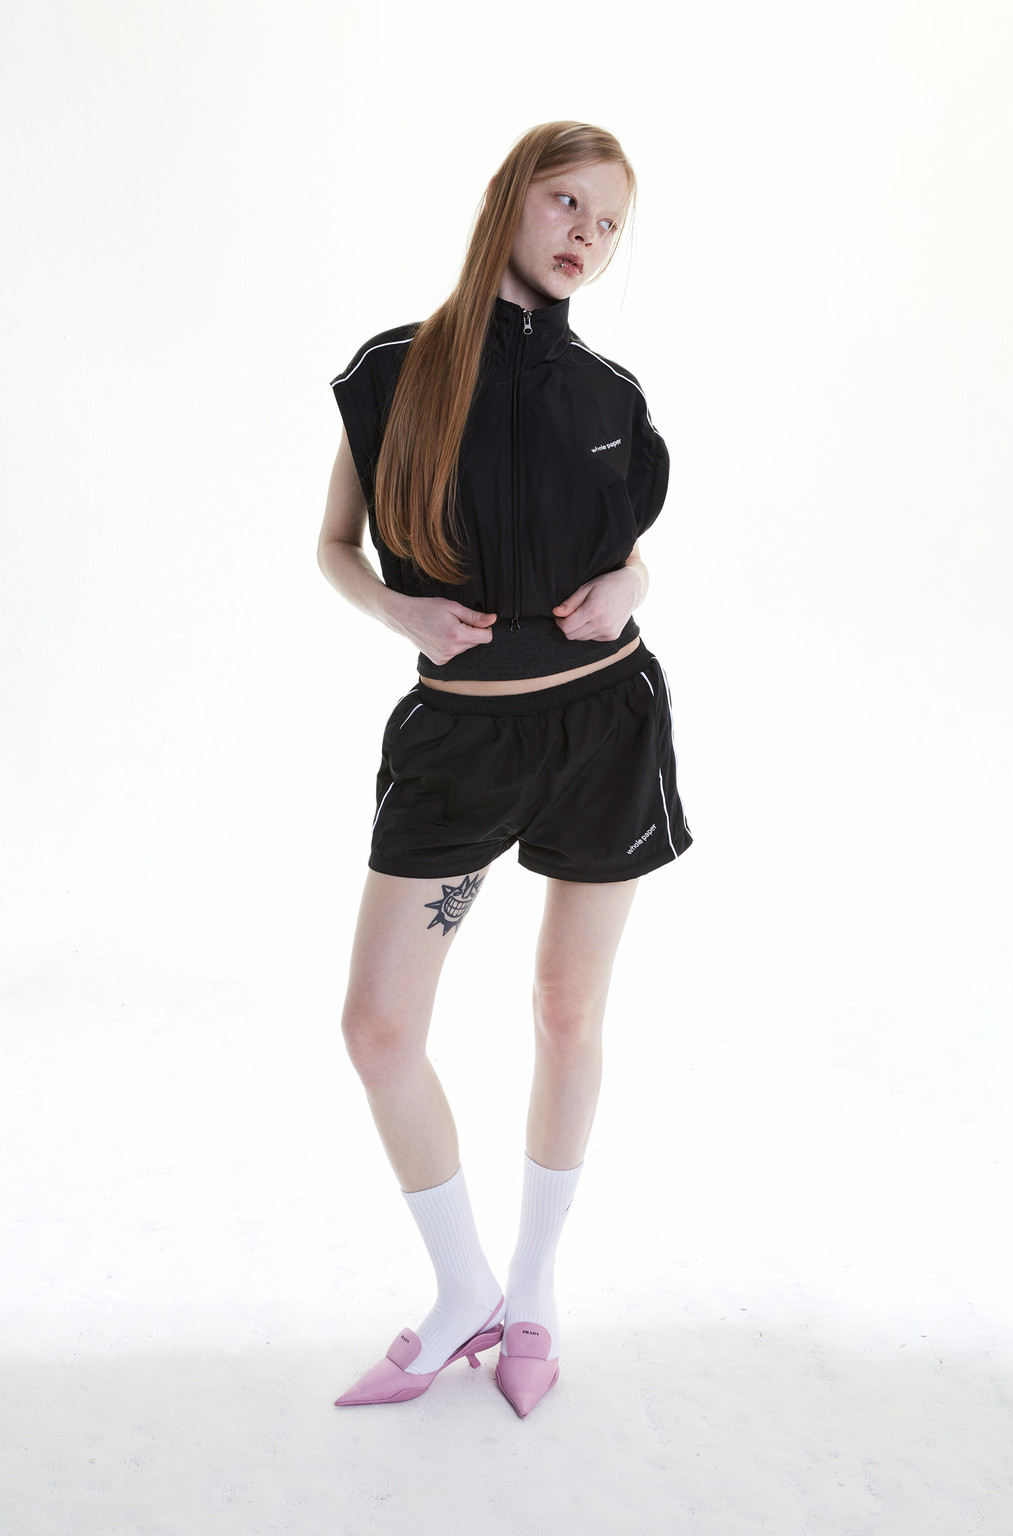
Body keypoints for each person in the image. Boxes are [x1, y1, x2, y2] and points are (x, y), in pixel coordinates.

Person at [317, 120, 692, 1417]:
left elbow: (627, 555)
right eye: (567, 202)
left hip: (605, 725)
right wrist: (398, 611)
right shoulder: (394, 374)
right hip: (460, 741)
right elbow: (335, 547)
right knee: (378, 1029)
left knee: (567, 1011)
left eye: (610, 221)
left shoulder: (612, 400)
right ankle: (463, 1286)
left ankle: (532, 1292)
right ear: (509, 201)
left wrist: (636, 580)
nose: (587, 234)